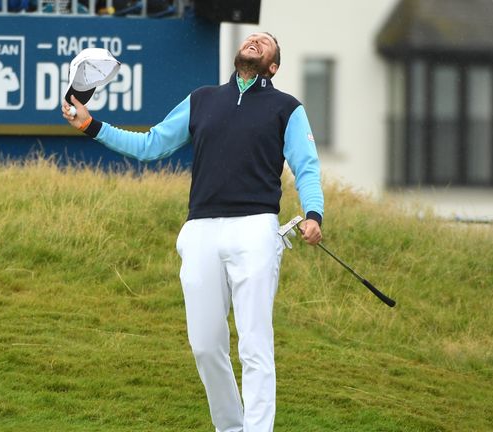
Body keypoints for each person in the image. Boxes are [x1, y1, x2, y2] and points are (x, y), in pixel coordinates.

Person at [62, 32, 324, 432]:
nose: (256, 40)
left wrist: (313, 213)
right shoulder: (202, 99)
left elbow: (306, 166)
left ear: (273, 65)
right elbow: (152, 144)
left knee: (254, 345)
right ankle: (230, 427)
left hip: (255, 229)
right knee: (205, 345)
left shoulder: (287, 108)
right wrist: (92, 125)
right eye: (252, 37)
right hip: (200, 228)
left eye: (266, 42)